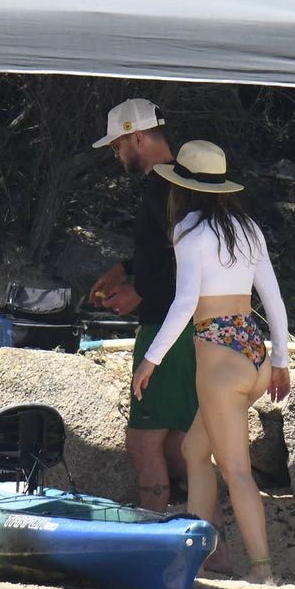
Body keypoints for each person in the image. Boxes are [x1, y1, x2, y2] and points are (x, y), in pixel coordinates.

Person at [131, 140, 290, 584]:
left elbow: (185, 304)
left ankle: (262, 571)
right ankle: (195, 559)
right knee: (194, 452)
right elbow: (274, 300)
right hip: (253, 353)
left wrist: (151, 359)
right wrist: (280, 360)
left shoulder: (188, 230)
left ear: (181, 188)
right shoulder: (248, 228)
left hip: (219, 360)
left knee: (236, 470)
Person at [89, 98, 198, 512]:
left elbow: (187, 256)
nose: (117, 155)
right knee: (176, 439)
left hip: (166, 326)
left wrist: (141, 291)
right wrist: (126, 268)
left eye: (118, 145)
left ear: (136, 137)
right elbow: (170, 249)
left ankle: (151, 530)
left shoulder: (163, 185)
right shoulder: (182, 181)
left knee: (142, 441)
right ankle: (209, 523)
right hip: (181, 324)